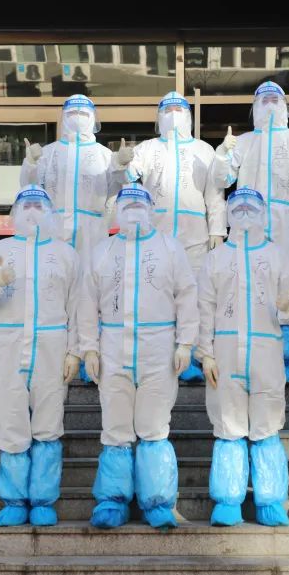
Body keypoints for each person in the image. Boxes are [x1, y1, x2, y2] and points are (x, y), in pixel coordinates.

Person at [78, 183, 199, 529]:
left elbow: (187, 296)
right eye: (126, 204)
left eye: (138, 203)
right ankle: (112, 501)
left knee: (154, 426)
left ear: (151, 210)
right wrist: (89, 347)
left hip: (157, 349)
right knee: (115, 427)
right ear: (117, 210)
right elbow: (86, 303)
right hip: (113, 349)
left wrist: (185, 343)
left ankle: (157, 503)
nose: (132, 209)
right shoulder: (102, 251)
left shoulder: (170, 248)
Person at [0, 185, 81, 527]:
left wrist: (75, 351)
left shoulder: (65, 254)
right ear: (14, 212)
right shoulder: (0, 250)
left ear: (50, 213)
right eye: (25, 205)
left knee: (48, 422)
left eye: (39, 205)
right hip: (9, 349)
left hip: (51, 348)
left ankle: (43, 501)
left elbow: (79, 306)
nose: (32, 211)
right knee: (12, 419)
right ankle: (14, 501)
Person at [197, 187, 289, 527]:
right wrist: (205, 354)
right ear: (227, 213)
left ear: (263, 213)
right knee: (229, 427)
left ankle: (270, 500)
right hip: (225, 354)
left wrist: (288, 306)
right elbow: (204, 309)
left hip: (266, 351)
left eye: (250, 207)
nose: (243, 212)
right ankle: (228, 500)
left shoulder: (277, 255)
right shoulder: (215, 258)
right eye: (237, 207)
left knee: (266, 427)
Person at [112, 91, 227, 382]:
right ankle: (161, 354)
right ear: (158, 116)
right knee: (159, 293)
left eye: (179, 109)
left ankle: (196, 354)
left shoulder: (204, 150)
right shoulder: (148, 148)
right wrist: (122, 163)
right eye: (167, 109)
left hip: (195, 236)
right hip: (157, 235)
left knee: (195, 296)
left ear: (189, 115)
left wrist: (217, 229)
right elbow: (129, 178)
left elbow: (215, 194)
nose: (173, 114)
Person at [214, 81, 289, 381]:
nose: (270, 104)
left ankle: (284, 357)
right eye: (264, 100)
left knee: (286, 280)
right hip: (250, 217)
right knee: (248, 279)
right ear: (255, 108)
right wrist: (223, 153)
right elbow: (223, 180)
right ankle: (247, 354)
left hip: (286, 217)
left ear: (285, 106)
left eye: (275, 99)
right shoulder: (245, 142)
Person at [20, 94, 115, 261]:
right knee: (55, 272)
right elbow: (30, 190)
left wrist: (121, 168)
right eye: (71, 113)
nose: (77, 118)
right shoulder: (47, 153)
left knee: (89, 273)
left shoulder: (105, 155)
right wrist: (31, 164)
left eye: (83, 113)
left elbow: (115, 192)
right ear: (64, 117)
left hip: (91, 231)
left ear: (92, 118)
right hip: (54, 227)